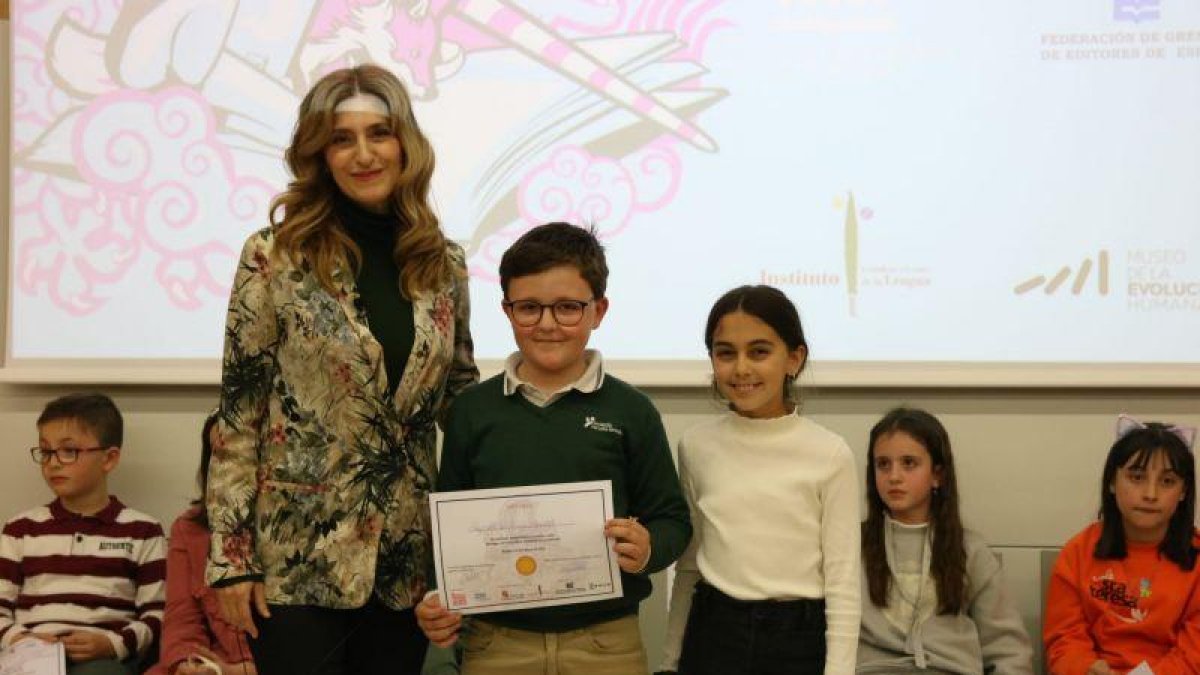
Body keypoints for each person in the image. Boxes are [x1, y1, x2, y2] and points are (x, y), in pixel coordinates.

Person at [206, 63, 478, 675]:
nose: (363, 153)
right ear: (318, 153)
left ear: (405, 143)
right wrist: (231, 557)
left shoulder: (443, 263)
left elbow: (459, 393)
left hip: (405, 559)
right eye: (340, 138)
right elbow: (239, 412)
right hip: (298, 556)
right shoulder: (272, 256)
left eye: (379, 133)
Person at [415, 222, 691, 675]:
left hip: (606, 644)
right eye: (529, 308)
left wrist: (649, 547)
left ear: (598, 310)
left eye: (567, 307)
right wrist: (436, 597)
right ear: (506, 311)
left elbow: (672, 520)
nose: (547, 323)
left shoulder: (632, 411)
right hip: (496, 644)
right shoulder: (472, 412)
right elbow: (449, 527)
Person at [658, 285, 860, 675]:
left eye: (759, 351)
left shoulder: (830, 454)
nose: (742, 368)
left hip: (798, 641)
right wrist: (670, 660)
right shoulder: (696, 445)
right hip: (713, 633)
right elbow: (688, 567)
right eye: (726, 353)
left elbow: (843, 584)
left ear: (794, 358)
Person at [856, 407, 1033, 674]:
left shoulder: (970, 551)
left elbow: (1008, 650)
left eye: (909, 463)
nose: (894, 476)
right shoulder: (849, 545)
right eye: (883, 464)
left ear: (937, 474)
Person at [0, 392, 165, 675]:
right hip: (27, 659)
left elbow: (157, 614)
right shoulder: (20, 529)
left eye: (68, 451)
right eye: (45, 451)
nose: (52, 463)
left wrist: (113, 643)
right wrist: (19, 639)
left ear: (109, 459)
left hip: (100, 660)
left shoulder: (143, 531)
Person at [1043, 416, 1200, 675]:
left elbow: (1193, 656)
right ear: (1112, 483)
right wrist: (1085, 667)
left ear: (1183, 492)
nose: (1150, 494)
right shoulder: (1078, 553)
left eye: (1167, 481)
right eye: (1136, 477)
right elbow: (1063, 639)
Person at [150, 412, 255, 675]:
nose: (228, 471)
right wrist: (189, 663)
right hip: (215, 663)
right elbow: (182, 618)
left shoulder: (292, 538)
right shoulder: (189, 528)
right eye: (219, 458)